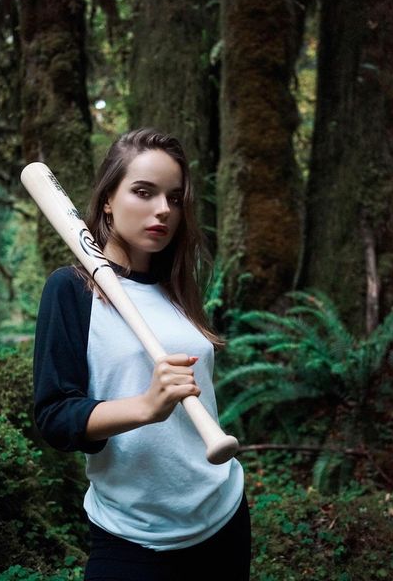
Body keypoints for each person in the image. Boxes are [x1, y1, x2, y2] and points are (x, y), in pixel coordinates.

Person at [33, 128, 251, 580]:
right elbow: (55, 416)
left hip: (222, 515)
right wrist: (145, 407)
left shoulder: (178, 288)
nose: (163, 210)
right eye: (143, 192)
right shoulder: (72, 290)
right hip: (133, 535)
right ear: (108, 199)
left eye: (174, 197)